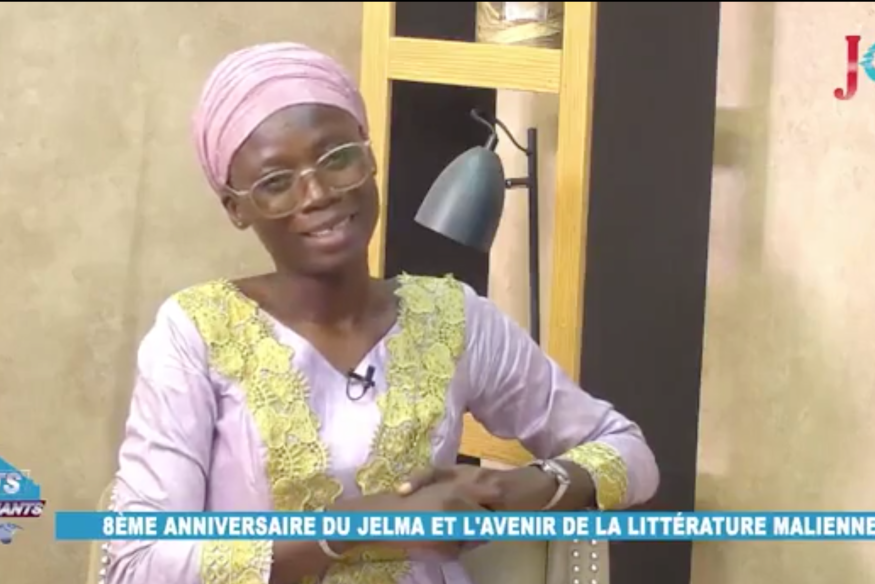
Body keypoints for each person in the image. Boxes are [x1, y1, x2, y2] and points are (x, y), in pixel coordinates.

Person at [103, 42, 659, 584]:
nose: (317, 193)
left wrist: (520, 488)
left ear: (369, 157)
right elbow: (137, 562)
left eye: (337, 158)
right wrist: (359, 524)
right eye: (275, 183)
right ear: (236, 208)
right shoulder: (196, 332)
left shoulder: (453, 319)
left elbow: (631, 453)